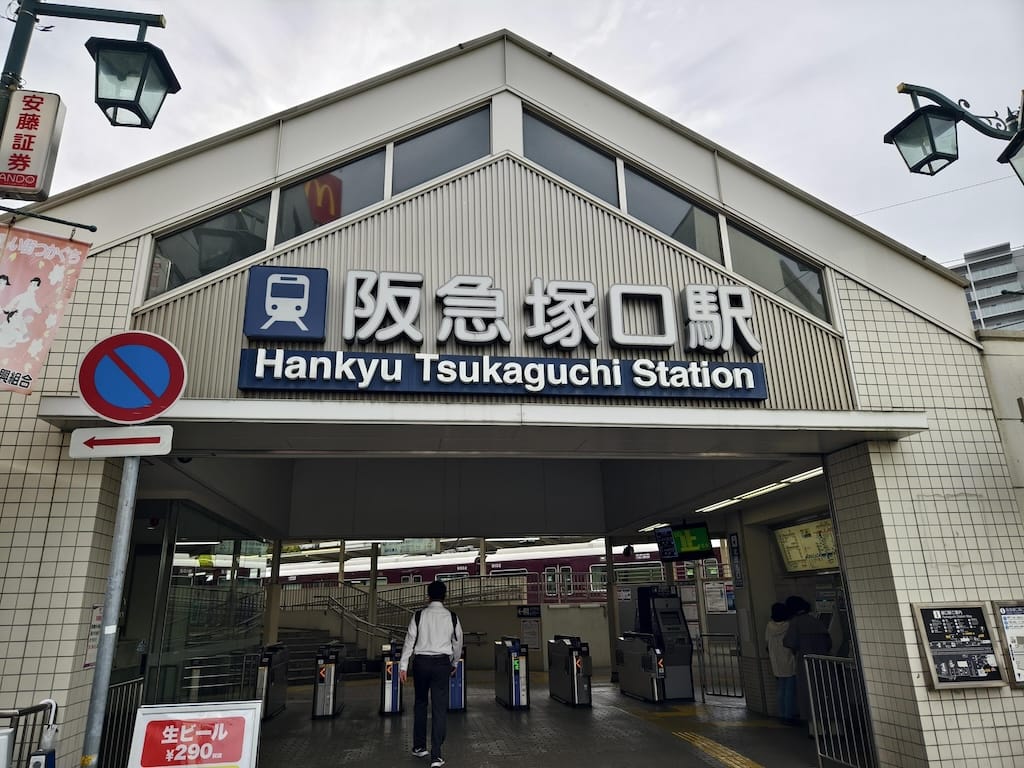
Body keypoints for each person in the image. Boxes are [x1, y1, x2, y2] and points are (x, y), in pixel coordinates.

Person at [399, 580, 464, 768]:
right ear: (445, 596)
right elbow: (458, 643)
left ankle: (419, 747)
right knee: (439, 707)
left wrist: (403, 666)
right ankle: (436, 756)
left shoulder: (418, 615)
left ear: (428, 596)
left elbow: (409, 641)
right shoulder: (452, 617)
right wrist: (454, 662)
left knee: (420, 704)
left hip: (421, 664)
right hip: (442, 664)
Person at [783, 595, 831, 730]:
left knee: (809, 694)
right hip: (824, 662)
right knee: (827, 694)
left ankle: (815, 729)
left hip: (805, 663)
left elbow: (789, 642)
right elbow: (829, 642)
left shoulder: (795, 623)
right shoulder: (816, 620)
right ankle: (834, 728)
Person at [765, 602, 798, 724]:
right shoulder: (788, 625)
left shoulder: (769, 626)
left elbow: (766, 641)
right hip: (789, 659)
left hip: (776, 661)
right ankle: (789, 716)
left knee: (781, 688)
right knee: (790, 690)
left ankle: (782, 714)